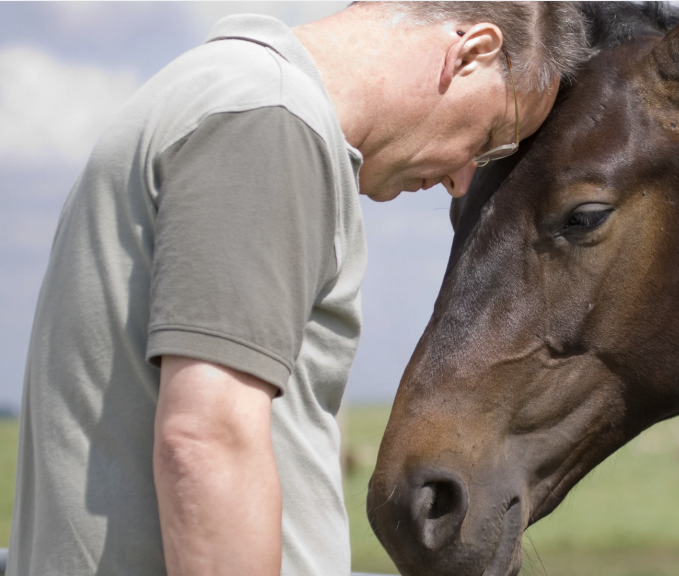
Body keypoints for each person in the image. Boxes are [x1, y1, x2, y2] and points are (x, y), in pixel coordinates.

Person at [6, 3, 590, 575]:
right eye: (489, 138)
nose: (461, 179)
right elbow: (208, 438)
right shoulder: (271, 121)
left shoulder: (220, 90)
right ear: (472, 52)